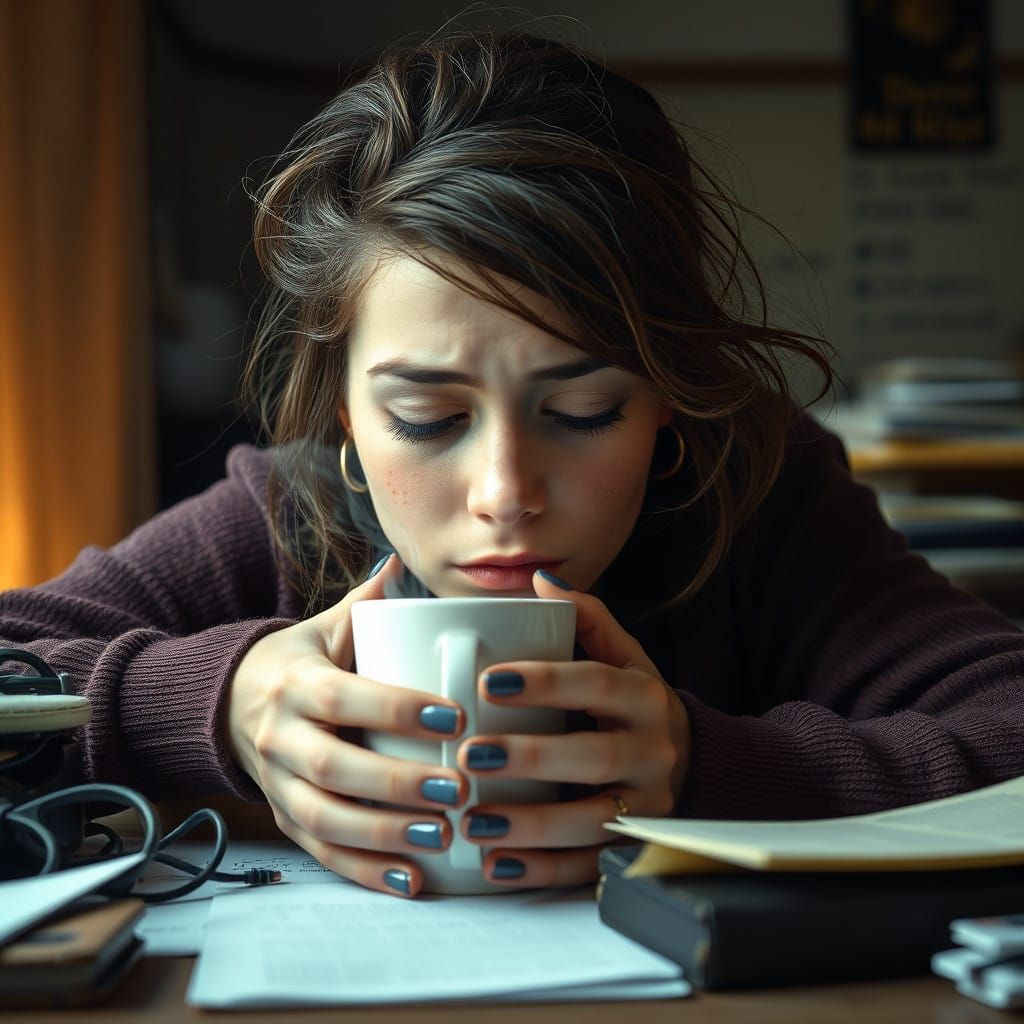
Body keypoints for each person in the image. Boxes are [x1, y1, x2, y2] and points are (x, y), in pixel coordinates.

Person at [2, 29, 1023, 899]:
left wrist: (709, 767)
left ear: (665, 394)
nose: (505, 495)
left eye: (582, 410)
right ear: (346, 418)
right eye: (426, 417)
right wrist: (211, 706)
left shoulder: (756, 500)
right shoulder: (285, 518)